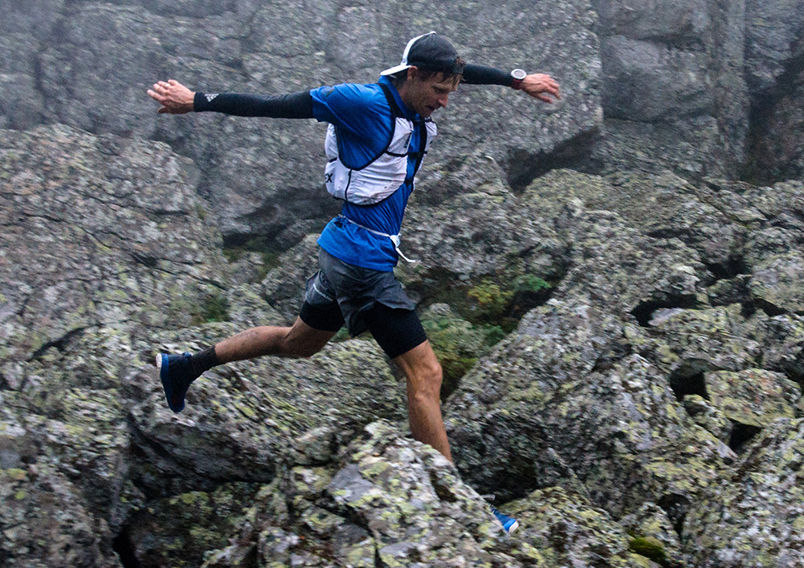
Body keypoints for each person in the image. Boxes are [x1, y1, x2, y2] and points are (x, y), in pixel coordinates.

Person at [147, 32, 560, 534]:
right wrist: (197, 102)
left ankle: (183, 367)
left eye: (452, 90)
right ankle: (461, 508)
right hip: (362, 262)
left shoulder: (416, 88)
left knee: (297, 344)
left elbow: (461, 73)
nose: (446, 101)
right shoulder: (359, 103)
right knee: (425, 375)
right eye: (440, 90)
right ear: (412, 76)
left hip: (343, 248)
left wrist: (517, 81)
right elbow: (280, 105)